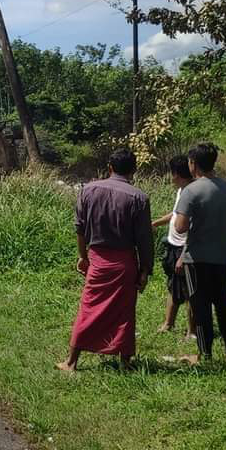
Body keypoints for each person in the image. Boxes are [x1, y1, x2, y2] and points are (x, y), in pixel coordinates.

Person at [59, 148, 152, 372]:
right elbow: (144, 239)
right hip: (125, 264)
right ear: (134, 170)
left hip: (98, 260)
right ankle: (124, 362)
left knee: (89, 308)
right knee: (125, 311)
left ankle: (71, 362)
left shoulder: (88, 190)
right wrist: (145, 269)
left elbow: (79, 229)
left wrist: (82, 257)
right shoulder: (139, 197)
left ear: (109, 167)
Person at [173, 143, 226, 364]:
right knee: (223, 303)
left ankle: (204, 354)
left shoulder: (191, 190)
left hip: (196, 258)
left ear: (193, 164)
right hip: (221, 256)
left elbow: (180, 227)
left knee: (200, 306)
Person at [151, 155, 196, 337]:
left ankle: (192, 331)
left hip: (186, 248)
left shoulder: (193, 193)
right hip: (172, 245)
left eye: (171, 174)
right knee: (173, 286)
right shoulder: (181, 191)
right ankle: (168, 324)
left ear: (177, 174)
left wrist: (183, 256)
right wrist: (155, 223)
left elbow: (194, 229)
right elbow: (175, 214)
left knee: (190, 291)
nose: (170, 178)